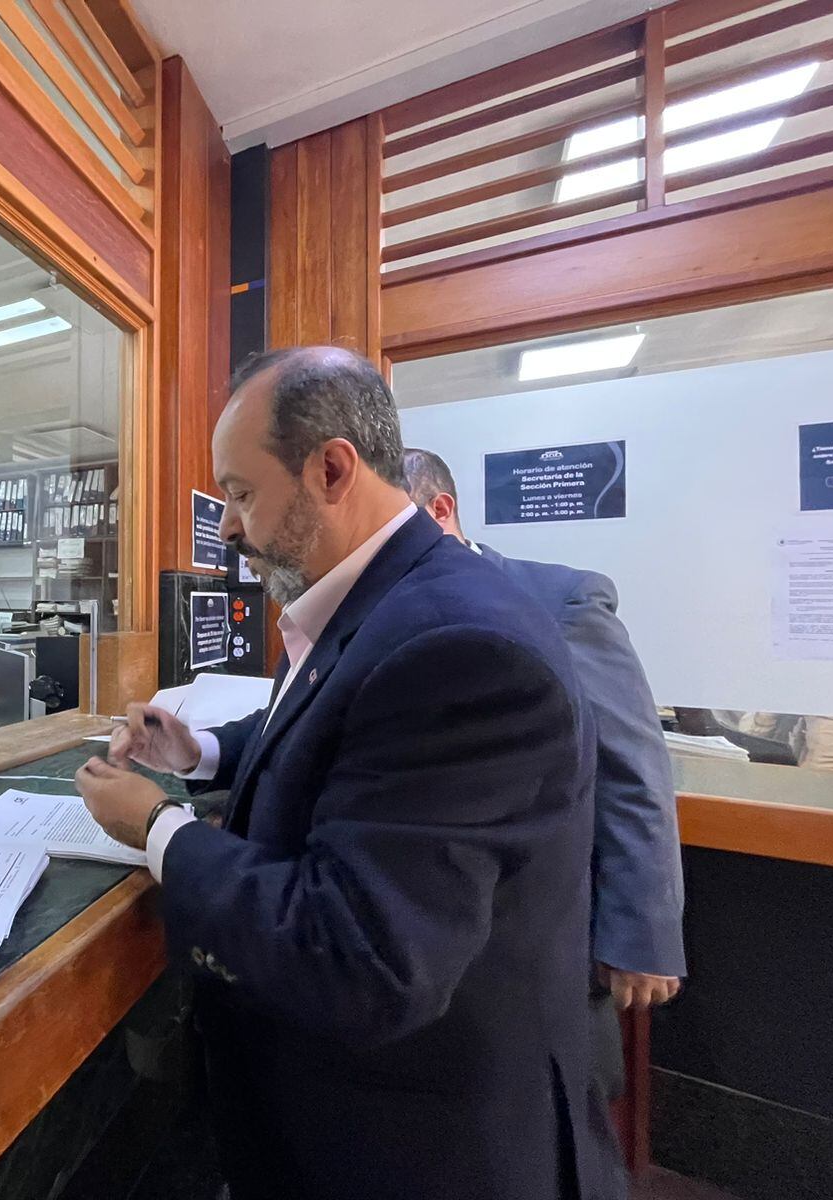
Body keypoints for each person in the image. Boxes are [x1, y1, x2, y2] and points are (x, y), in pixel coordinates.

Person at [78, 347, 609, 1200]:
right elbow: (337, 731)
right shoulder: (380, 598)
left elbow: (358, 953)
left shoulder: (457, 646)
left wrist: (156, 826)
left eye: (241, 494)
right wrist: (198, 752)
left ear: (331, 469)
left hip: (414, 1146)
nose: (224, 527)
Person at [403, 445, 686, 1184]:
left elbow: (634, 766)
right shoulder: (396, 605)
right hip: (454, 941)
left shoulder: (559, 600)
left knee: (563, 1123)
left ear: (441, 512)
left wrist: (643, 933)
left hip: (554, 931)